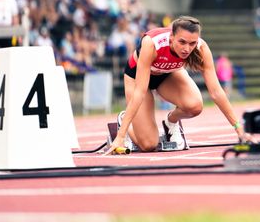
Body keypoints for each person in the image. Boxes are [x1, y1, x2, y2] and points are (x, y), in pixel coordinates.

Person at [105, 16, 251, 154]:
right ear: (171, 37)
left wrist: (240, 130)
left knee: (195, 106)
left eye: (192, 43)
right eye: (182, 42)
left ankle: (171, 122)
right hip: (137, 78)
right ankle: (124, 120)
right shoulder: (152, 43)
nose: (187, 49)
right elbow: (140, 92)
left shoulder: (201, 48)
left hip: (168, 74)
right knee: (149, 144)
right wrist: (120, 137)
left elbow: (216, 92)